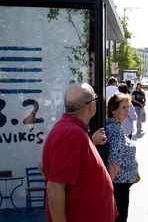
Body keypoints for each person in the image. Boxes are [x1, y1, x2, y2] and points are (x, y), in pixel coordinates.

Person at [42, 83, 118, 222]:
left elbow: (47, 168)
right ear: (90, 106)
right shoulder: (73, 134)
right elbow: (55, 187)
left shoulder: (69, 129)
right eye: (95, 98)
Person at [106, 93, 139, 222]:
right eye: (123, 107)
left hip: (121, 185)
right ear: (113, 110)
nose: (127, 111)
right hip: (118, 186)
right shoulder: (115, 130)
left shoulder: (115, 125)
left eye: (128, 107)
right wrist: (107, 190)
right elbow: (113, 162)